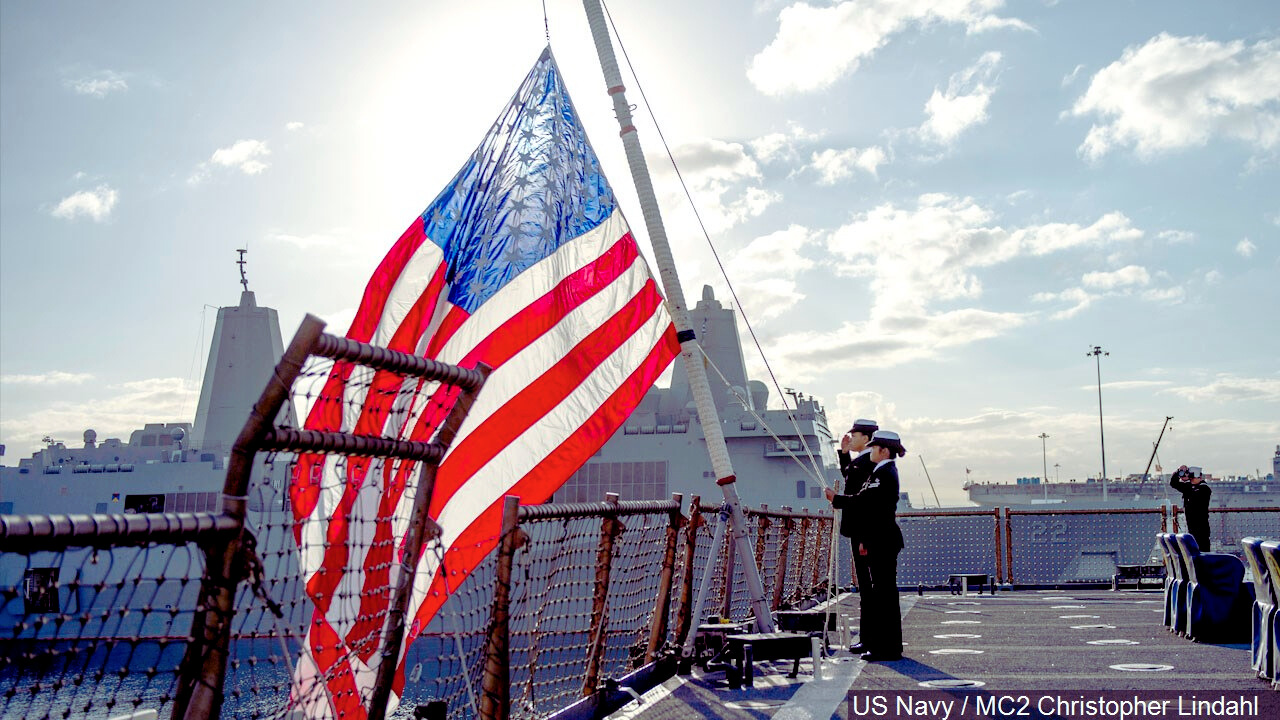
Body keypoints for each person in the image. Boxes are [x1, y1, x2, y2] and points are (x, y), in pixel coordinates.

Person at [824, 419, 878, 652]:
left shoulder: (867, 461)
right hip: (861, 531)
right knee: (867, 586)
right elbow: (850, 476)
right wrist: (844, 454)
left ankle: (869, 638)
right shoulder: (864, 461)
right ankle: (869, 637)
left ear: (866, 438)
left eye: (854, 435)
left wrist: (836, 499)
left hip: (863, 531)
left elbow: (856, 492)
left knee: (868, 587)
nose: (850, 438)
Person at [855, 429, 906, 661]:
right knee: (883, 594)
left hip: (883, 541)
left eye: (874, 448)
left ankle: (887, 649)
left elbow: (867, 504)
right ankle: (885, 647)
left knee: (884, 595)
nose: (871, 451)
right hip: (880, 540)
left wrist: (836, 499)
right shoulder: (881, 472)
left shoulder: (884, 473)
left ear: (884, 451)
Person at [1169, 465, 1212, 551]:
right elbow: (1173, 483)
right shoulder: (1189, 487)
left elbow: (1196, 497)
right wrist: (1178, 472)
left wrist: (1188, 480)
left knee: (1202, 548)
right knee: (1193, 548)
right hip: (1191, 524)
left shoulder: (1204, 488)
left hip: (1201, 525)